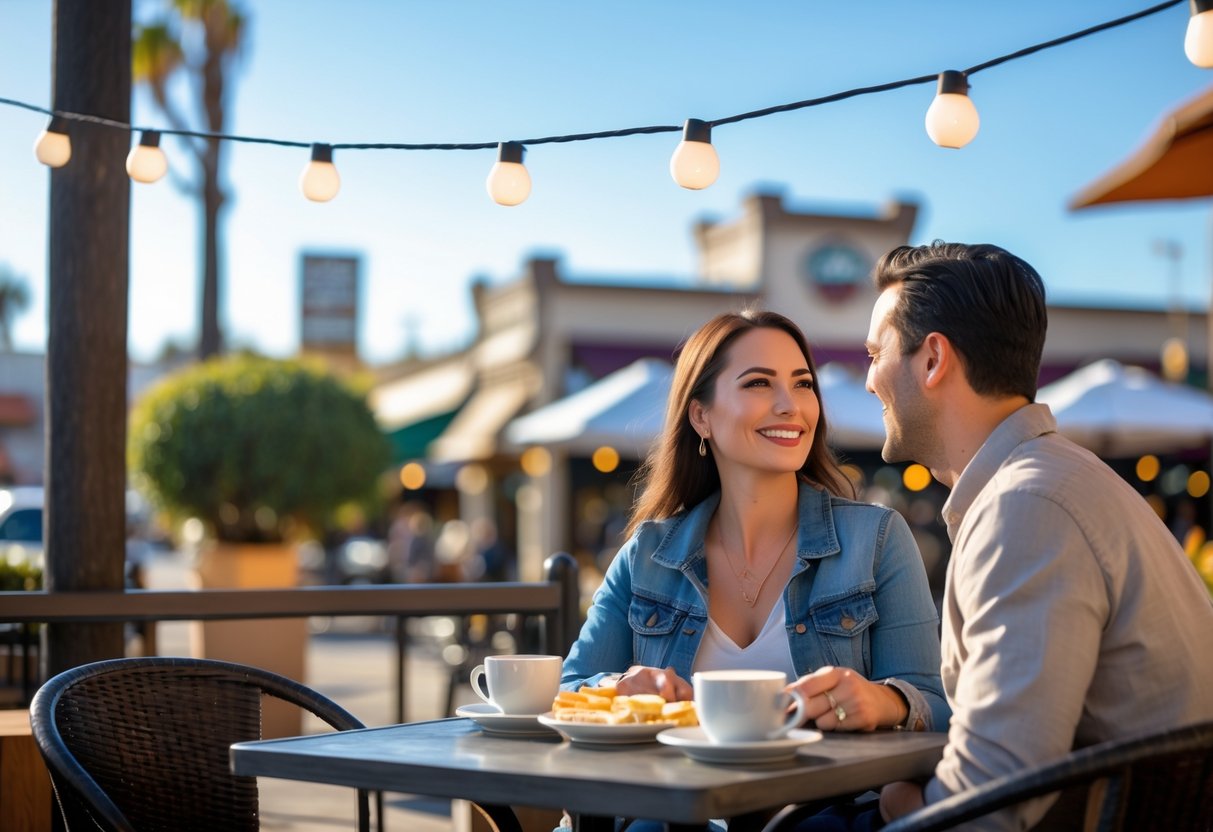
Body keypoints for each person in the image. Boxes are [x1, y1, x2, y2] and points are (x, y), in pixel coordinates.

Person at [863, 242, 1213, 830]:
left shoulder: (1024, 508)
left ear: (932, 360)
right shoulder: (1053, 482)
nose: (870, 379)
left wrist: (893, 802)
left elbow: (987, 806)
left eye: (877, 353)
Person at [561, 309, 950, 735]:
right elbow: (570, 691)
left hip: (828, 802)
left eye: (802, 384)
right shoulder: (646, 555)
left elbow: (933, 704)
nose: (790, 406)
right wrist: (618, 685)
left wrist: (887, 701)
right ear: (700, 417)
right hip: (673, 797)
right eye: (759, 383)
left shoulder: (876, 540)